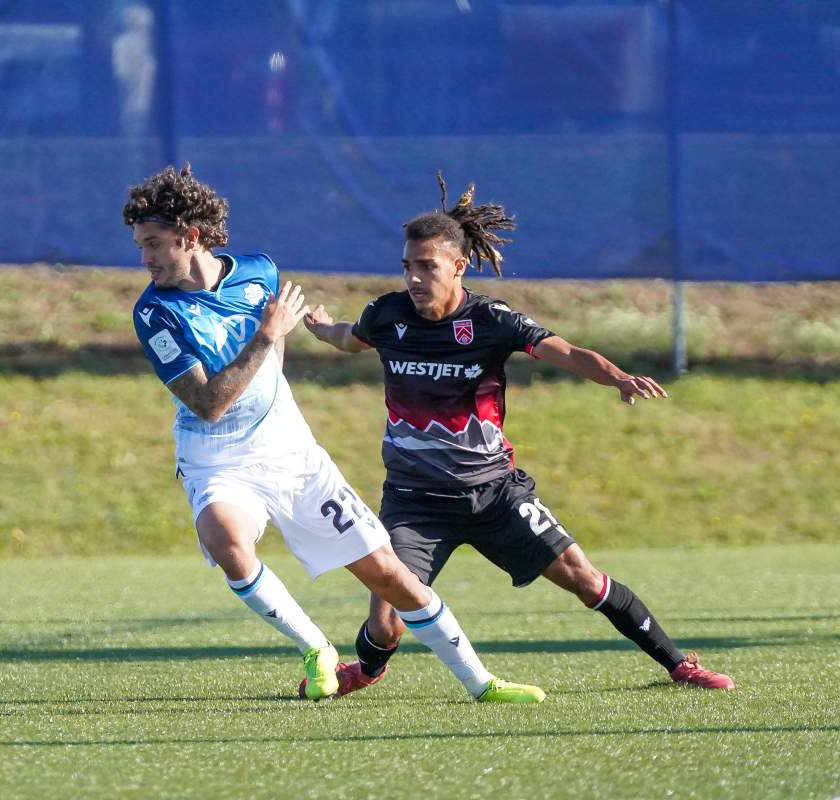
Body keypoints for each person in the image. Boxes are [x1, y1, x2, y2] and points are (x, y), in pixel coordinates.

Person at [302, 173, 735, 697]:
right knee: (387, 620)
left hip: (495, 493)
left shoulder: (491, 320)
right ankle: (368, 668)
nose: (414, 278)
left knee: (583, 577)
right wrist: (321, 326)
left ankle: (678, 664)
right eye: (408, 267)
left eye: (426, 267)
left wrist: (616, 376)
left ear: (458, 267)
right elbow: (348, 339)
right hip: (415, 503)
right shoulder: (387, 314)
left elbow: (567, 352)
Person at [124, 164, 545, 703]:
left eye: (154, 243)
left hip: (292, 453)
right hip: (217, 459)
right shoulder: (155, 312)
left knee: (388, 576)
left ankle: (482, 683)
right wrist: (267, 337)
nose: (145, 259)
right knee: (226, 540)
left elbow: (271, 358)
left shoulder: (258, 271)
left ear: (192, 236)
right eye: (141, 245)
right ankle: (316, 648)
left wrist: (272, 370)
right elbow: (207, 404)